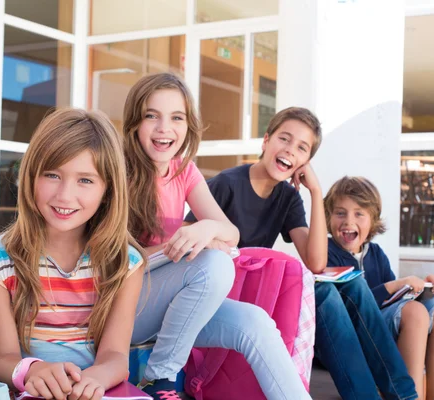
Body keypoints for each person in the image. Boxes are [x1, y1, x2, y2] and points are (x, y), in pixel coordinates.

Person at [185, 108, 417, 400]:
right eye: (284, 139)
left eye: (301, 148)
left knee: (354, 284)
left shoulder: (288, 197)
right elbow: (187, 237)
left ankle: (404, 395)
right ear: (266, 141)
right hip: (227, 293)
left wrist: (316, 191)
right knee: (323, 297)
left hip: (261, 291)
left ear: (305, 163)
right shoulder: (227, 183)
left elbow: (316, 261)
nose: (289, 150)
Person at [123, 72, 311, 400]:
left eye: (176, 118)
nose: (164, 128)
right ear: (134, 122)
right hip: (124, 308)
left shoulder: (182, 169)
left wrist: (206, 228)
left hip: (167, 305)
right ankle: (160, 377)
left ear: (188, 125)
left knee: (255, 322)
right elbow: (111, 260)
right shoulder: (117, 169)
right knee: (215, 263)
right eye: (152, 116)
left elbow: (231, 232)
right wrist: (176, 248)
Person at [0, 108, 145, 400]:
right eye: (52, 175)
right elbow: (2, 360)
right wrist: (33, 371)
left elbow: (115, 355)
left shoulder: (124, 263)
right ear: (30, 177)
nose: (64, 195)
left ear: (108, 190)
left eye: (85, 180)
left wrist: (95, 379)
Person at [325, 176, 434, 400]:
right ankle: (410, 396)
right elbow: (345, 309)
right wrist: (393, 285)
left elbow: (396, 301)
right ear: (328, 218)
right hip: (352, 335)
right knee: (414, 313)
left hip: (382, 329)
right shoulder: (326, 253)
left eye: (359, 213)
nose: (348, 221)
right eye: (340, 213)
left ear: (372, 220)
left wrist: (423, 288)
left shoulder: (375, 252)